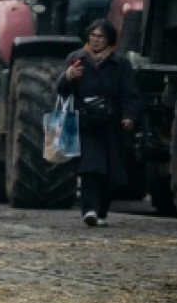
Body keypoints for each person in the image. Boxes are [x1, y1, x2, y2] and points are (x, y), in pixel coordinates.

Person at [56, 19, 140, 227]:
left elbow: (130, 94)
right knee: (90, 168)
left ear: (109, 40)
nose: (95, 40)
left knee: (112, 174)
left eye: (100, 36)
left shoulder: (120, 64)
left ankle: (101, 211)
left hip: (112, 124)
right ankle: (89, 210)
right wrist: (68, 76)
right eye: (92, 36)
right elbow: (61, 90)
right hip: (86, 123)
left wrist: (129, 116)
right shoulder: (76, 60)